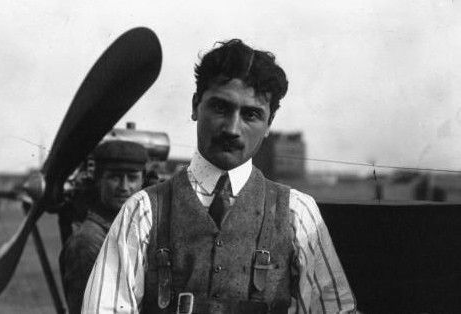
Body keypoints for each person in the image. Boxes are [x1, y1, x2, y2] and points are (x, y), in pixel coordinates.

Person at [82, 39, 356, 313]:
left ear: (269, 124)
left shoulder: (297, 212)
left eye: (251, 114)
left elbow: (335, 308)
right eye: (220, 108)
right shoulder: (142, 211)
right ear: (195, 106)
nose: (232, 129)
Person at [59, 140, 148, 314]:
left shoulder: (137, 227)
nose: (124, 187)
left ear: (142, 181)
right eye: (115, 177)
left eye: (132, 177)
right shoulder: (88, 242)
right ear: (99, 180)